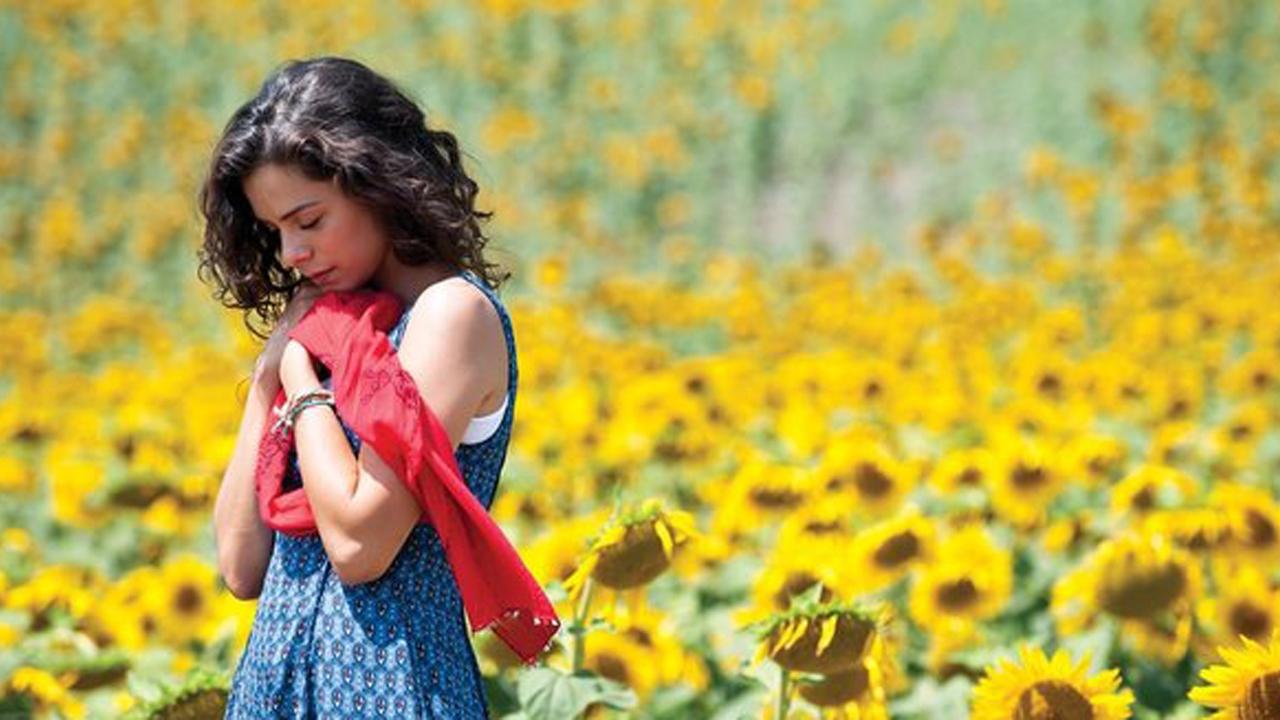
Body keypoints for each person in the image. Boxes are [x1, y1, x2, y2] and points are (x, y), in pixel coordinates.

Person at [199, 56, 518, 718]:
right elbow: (239, 565)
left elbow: (358, 547)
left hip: (393, 691)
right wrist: (266, 383)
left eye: (308, 221)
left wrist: (297, 377)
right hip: (272, 690)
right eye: (274, 230)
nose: (291, 254)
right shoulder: (330, 328)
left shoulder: (450, 316)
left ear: (378, 184)